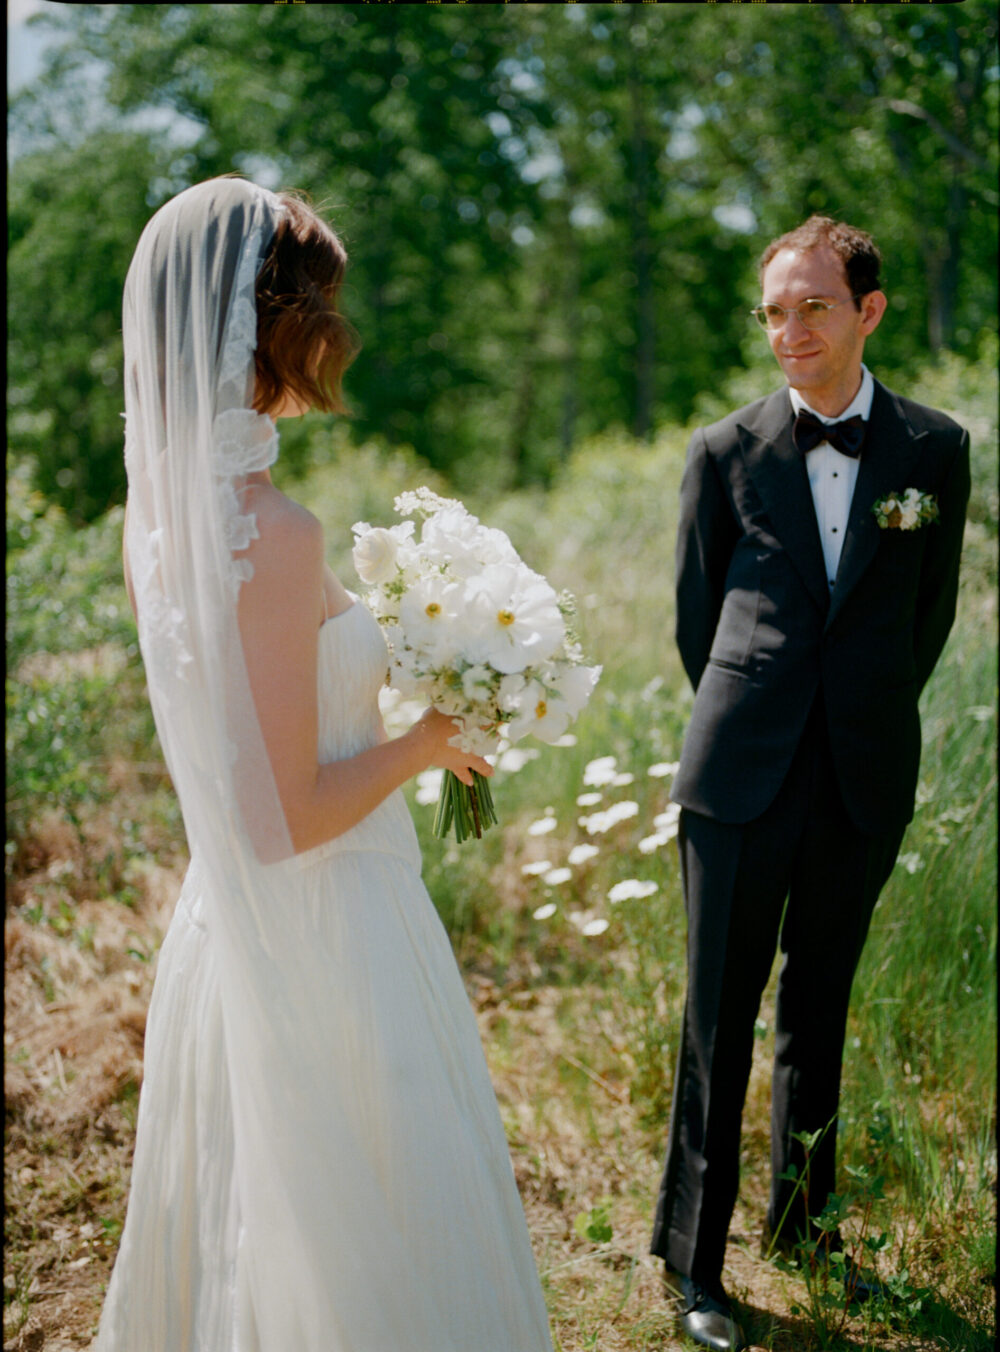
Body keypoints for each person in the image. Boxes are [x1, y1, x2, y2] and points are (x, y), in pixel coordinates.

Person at [94, 176, 553, 1351]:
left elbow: (250, 738)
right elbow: (282, 815)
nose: (336, 334)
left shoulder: (161, 519)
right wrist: (425, 741)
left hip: (229, 935)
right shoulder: (274, 534)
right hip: (326, 935)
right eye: (324, 307)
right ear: (277, 326)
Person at [649, 216, 970, 1351]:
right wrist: (758, 718)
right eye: (773, 309)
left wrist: (856, 720)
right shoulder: (720, 451)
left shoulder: (934, 450)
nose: (788, 329)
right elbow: (698, 623)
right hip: (737, 776)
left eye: (812, 306)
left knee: (816, 1015)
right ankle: (692, 1266)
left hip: (861, 773)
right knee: (716, 1024)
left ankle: (805, 1231)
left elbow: (923, 618)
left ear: (868, 309)